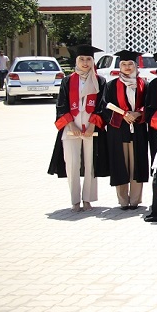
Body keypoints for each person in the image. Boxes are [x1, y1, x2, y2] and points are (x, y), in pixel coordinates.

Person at [48, 44, 111, 211]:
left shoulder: (99, 81)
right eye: (81, 59)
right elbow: (61, 105)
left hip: (91, 128)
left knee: (90, 164)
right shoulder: (67, 81)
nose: (85, 62)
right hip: (71, 127)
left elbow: (102, 106)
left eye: (88, 59)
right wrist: (70, 124)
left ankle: (88, 199)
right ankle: (74, 200)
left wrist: (92, 126)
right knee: (72, 163)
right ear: (76, 61)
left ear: (93, 61)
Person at [104, 50, 149, 210]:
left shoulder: (144, 84)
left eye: (130, 64)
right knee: (120, 163)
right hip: (118, 131)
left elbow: (149, 105)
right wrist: (123, 116)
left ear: (136, 66)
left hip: (138, 130)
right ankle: (123, 199)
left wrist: (138, 113)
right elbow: (105, 108)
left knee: (137, 163)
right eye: (124, 64)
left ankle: (135, 200)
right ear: (119, 66)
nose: (127, 67)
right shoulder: (111, 85)